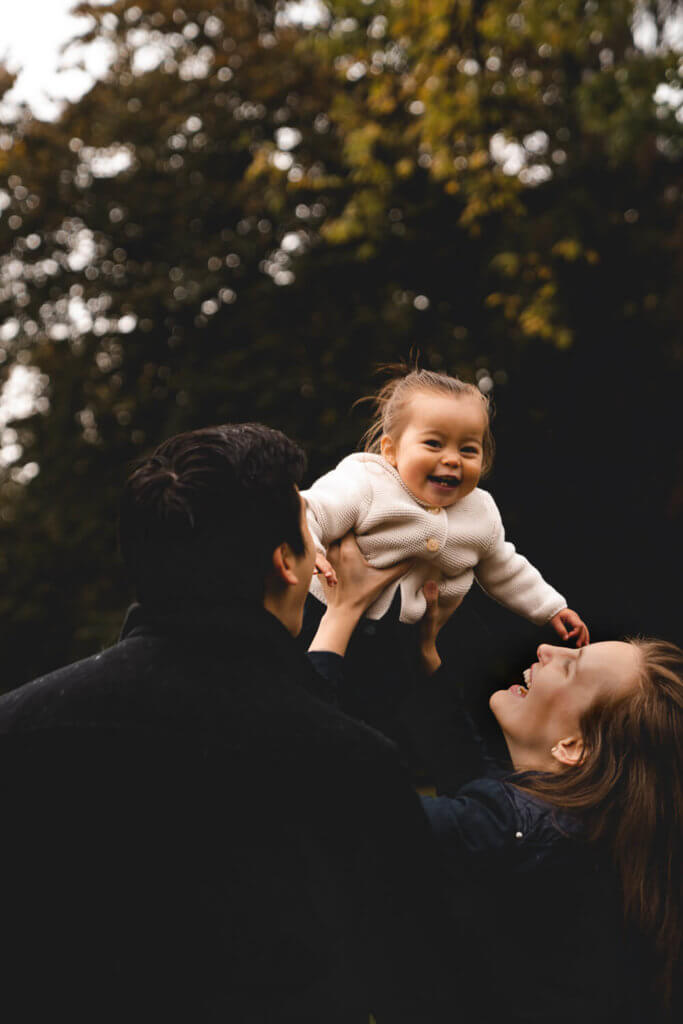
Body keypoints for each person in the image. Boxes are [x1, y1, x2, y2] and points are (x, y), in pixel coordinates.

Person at [0, 424, 454, 1024]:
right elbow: (416, 991)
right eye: (309, 535)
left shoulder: (18, 729)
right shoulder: (354, 766)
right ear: (285, 566)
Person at [314, 544, 682, 1023]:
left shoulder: (524, 831)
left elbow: (319, 789)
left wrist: (338, 620)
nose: (548, 649)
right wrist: (425, 653)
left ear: (572, 746)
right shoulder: (568, 828)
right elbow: (471, 773)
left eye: (570, 666)